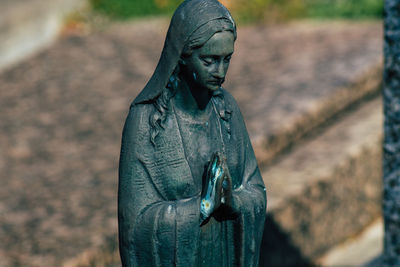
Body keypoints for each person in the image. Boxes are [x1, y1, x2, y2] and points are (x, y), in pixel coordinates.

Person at [118, 0, 267, 266]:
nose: (220, 72)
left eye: (227, 60)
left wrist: (233, 201)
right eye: (209, 61)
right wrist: (200, 208)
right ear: (182, 56)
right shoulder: (146, 121)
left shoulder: (227, 109)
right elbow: (136, 223)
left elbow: (255, 188)